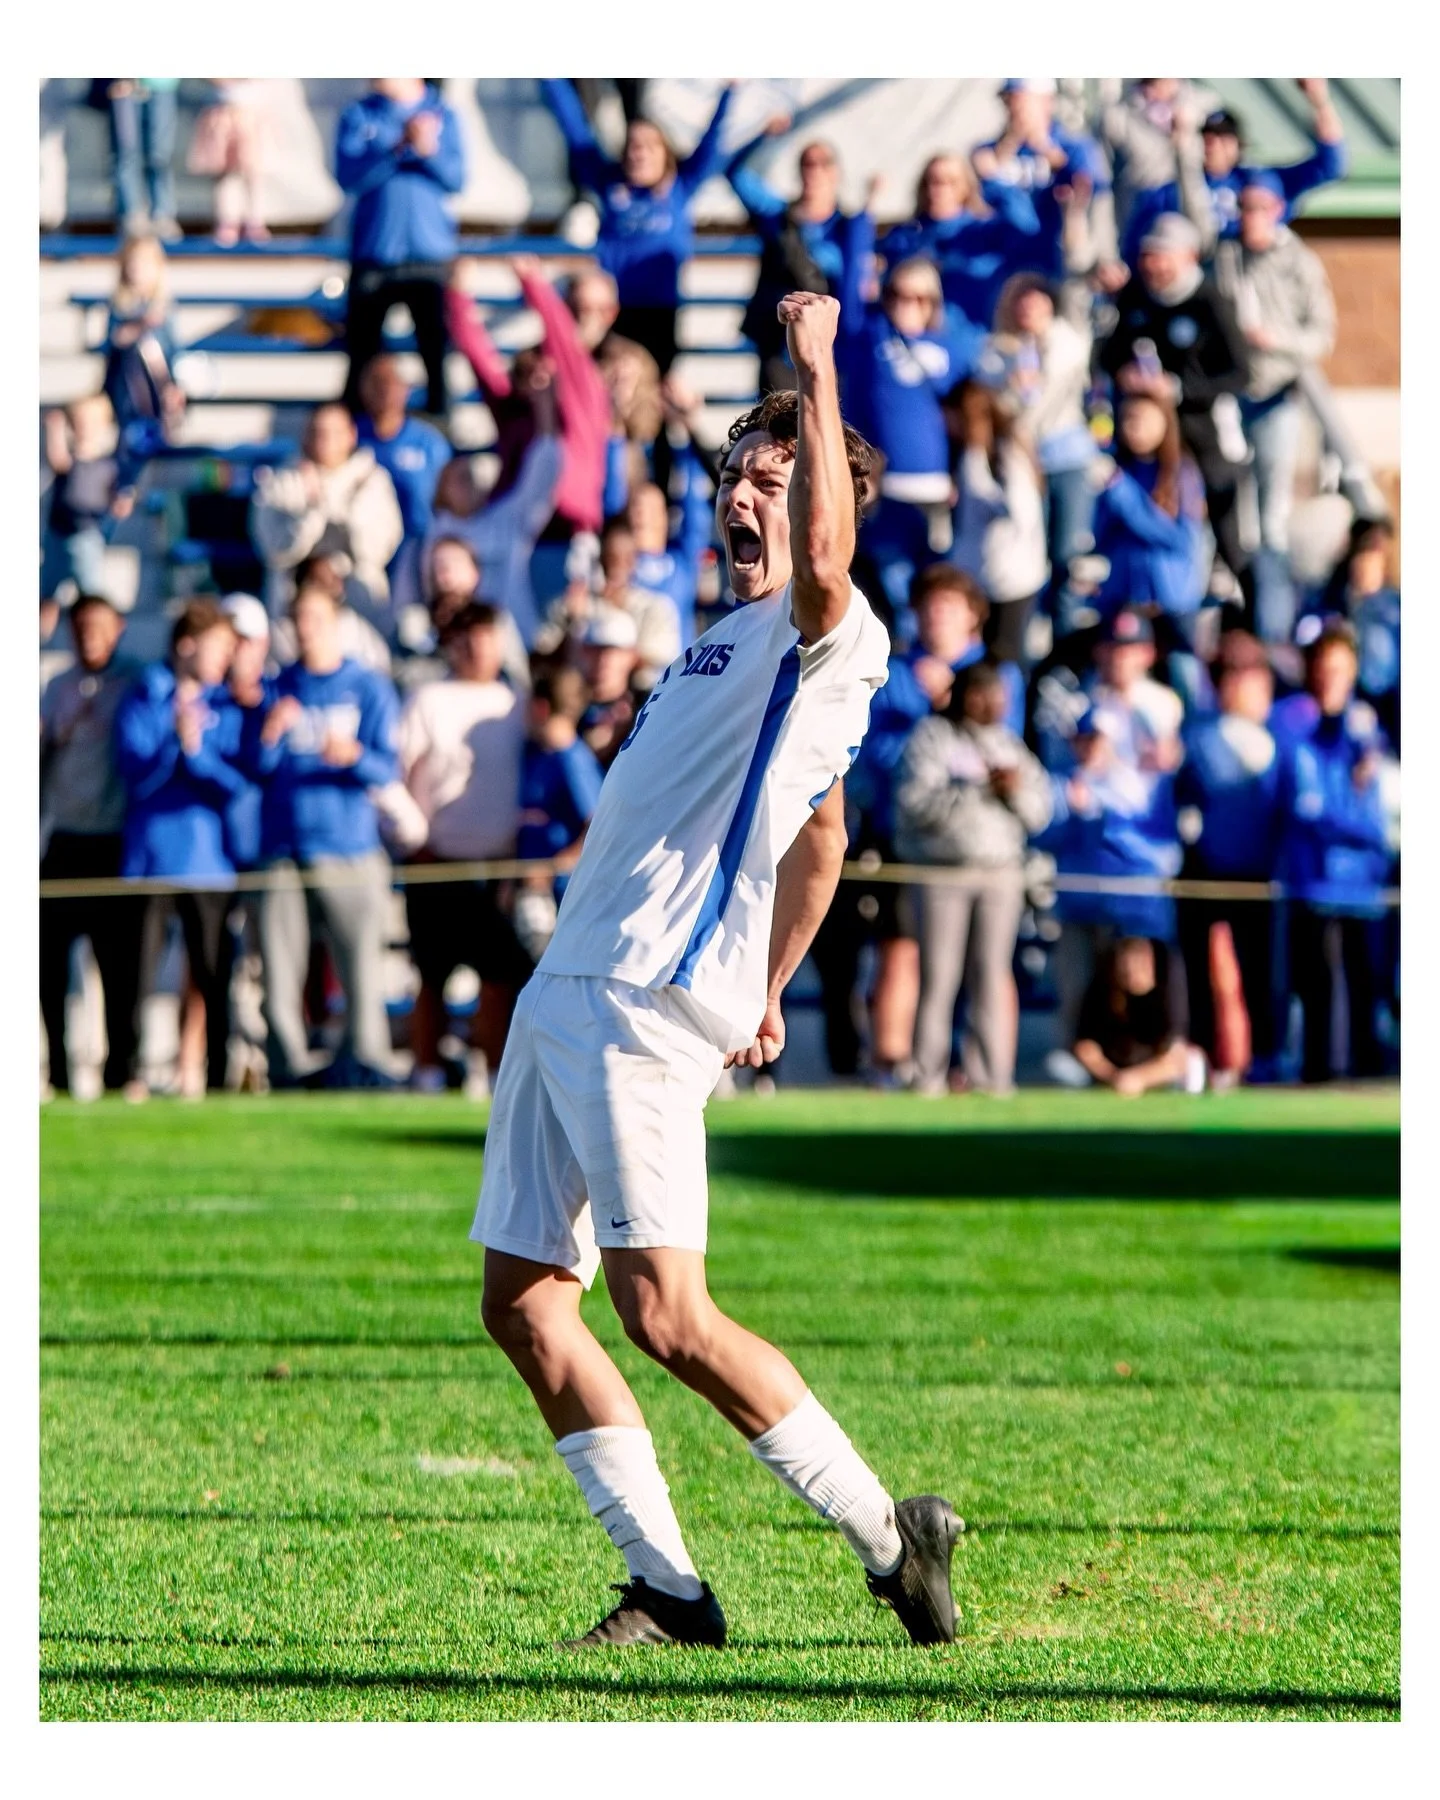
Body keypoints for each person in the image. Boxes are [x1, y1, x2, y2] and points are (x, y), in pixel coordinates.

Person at [473, 293, 961, 1653]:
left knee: (666, 1315)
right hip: (572, 988)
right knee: (522, 1300)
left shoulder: (832, 628)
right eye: (735, 473)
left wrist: (812, 363)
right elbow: (823, 837)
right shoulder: (715, 646)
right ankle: (670, 1591)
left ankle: (888, 1535)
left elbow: (820, 559)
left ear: (826, 508)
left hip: (640, 1008)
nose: (744, 493)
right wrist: (775, 984)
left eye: (778, 474)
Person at [245, 580, 401, 1088]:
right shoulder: (279, 685)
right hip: (285, 847)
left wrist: (354, 756)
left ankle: (365, 1065)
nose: (305, 630)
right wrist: (270, 731)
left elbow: (386, 767)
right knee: (279, 971)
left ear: (336, 624)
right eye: (298, 620)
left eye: (315, 619)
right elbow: (254, 765)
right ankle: (288, 1067)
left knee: (360, 969)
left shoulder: (368, 686)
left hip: (349, 846)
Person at [391, 603, 534, 1091]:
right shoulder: (427, 699)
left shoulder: (515, 702)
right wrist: (414, 838)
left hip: (495, 866)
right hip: (435, 862)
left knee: (498, 975)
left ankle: (493, 1075)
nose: (477, 647)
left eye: (486, 636)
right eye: (467, 637)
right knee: (431, 974)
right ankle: (427, 1073)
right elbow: (396, 774)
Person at [894, 660, 1052, 1096]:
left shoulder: (1008, 744)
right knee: (938, 976)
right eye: (982, 692)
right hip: (942, 871)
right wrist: (974, 790)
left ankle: (992, 1076)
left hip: (1001, 872)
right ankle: (926, 1075)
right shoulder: (932, 738)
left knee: (992, 974)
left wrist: (1012, 790)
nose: (992, 702)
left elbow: (1040, 811)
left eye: (998, 693)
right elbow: (913, 804)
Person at [114, 599, 248, 1096]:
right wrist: (173, 743)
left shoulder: (226, 704)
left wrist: (195, 753)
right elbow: (133, 775)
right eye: (218, 647)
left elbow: (236, 782)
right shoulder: (146, 695)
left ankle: (215, 1078)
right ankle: (127, 1073)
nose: (224, 659)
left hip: (209, 861)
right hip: (149, 859)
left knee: (214, 977)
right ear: (186, 645)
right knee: (136, 977)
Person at [1097, 212, 1252, 605]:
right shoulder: (1135, 298)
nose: (1154, 265)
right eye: (1148, 256)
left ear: (1188, 256)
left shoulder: (1210, 302)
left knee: (1218, 506)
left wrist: (1180, 389)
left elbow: (1239, 373)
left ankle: (1233, 588)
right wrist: (1127, 375)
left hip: (1200, 429)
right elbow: (1109, 355)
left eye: (1163, 255)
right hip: (1145, 434)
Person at [1212, 174, 1337, 643]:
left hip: (1277, 390)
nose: (1250, 218)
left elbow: (1322, 335)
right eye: (1244, 207)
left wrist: (1274, 339)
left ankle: (1274, 624)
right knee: (1229, 506)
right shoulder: (1227, 256)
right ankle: (1237, 613)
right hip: (1231, 391)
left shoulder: (1299, 261)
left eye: (1259, 208)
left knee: (1272, 514)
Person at [541, 79, 736, 373]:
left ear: (664, 152)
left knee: (654, 399)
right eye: (632, 145)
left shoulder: (680, 189)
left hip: (660, 313)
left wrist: (729, 93)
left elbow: (712, 145)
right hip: (611, 312)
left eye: (648, 146)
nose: (639, 153)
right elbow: (575, 128)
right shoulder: (609, 184)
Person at [39, 594, 147, 1101]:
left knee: (120, 965)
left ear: (119, 629)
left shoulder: (134, 685)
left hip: (114, 840)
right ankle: (57, 1071)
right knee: (49, 964)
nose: (89, 637)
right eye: (81, 627)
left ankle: (121, 1070)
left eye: (99, 627)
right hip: (65, 839)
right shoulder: (56, 688)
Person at [1276, 623, 1394, 1083]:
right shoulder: (1296, 729)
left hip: (1363, 887)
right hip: (1315, 885)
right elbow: (1307, 810)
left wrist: (1352, 820)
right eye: (1324, 670)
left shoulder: (1367, 733)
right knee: (1321, 993)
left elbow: (1378, 821)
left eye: (1340, 671)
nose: (1331, 681)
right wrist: (1355, 822)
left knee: (1365, 989)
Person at [839, 255, 979, 620]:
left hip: (938, 493)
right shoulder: (872, 338)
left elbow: (973, 418)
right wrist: (864, 211)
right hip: (888, 491)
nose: (905, 304)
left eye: (918, 297)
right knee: (895, 590)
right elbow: (848, 296)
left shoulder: (954, 348)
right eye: (897, 294)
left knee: (935, 587)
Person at [1174, 631, 1285, 1086]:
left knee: (1263, 970)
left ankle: (1264, 1054)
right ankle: (1203, 1053)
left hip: (1264, 874)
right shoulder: (1201, 739)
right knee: (1201, 970)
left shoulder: (1281, 740)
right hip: (1208, 870)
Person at [445, 255, 612, 541]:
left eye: (549, 372)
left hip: (570, 524)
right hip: (514, 532)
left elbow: (566, 346)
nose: (541, 379)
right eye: (533, 374)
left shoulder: (582, 397)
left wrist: (533, 282)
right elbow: (479, 357)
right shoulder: (512, 409)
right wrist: (457, 296)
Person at [336, 80, 466, 417]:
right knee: (361, 359)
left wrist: (429, 151)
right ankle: (356, 434)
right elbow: (347, 177)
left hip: (429, 258)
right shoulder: (358, 114)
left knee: (436, 358)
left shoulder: (444, 114)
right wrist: (396, 147)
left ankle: (440, 434)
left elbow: (457, 179)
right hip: (374, 255)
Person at [724, 121, 878, 391]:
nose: (814, 170)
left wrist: (870, 206)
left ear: (836, 173)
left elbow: (856, 288)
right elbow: (736, 173)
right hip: (780, 345)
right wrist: (764, 136)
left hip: (830, 347)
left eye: (823, 163)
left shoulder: (848, 228)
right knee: (778, 428)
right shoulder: (778, 216)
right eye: (807, 163)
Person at [978, 274, 1096, 601]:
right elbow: (997, 406)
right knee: (1030, 550)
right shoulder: (997, 352)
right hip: (1023, 462)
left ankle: (1066, 631)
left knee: (1068, 551)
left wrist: (1032, 376)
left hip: (1067, 457)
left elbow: (1052, 387)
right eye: (1023, 305)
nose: (1029, 312)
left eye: (1037, 304)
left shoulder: (1065, 342)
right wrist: (1013, 388)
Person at [250, 402, 405, 628]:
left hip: (359, 609)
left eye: (334, 432)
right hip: (293, 610)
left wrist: (346, 525)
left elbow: (376, 552)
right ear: (305, 435)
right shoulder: (280, 481)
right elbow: (272, 549)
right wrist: (314, 512)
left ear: (351, 435)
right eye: (318, 431)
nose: (325, 439)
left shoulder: (374, 481)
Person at [970, 79, 1116, 287]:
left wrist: (1044, 147)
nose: (1013, 108)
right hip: (1004, 270)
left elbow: (1090, 194)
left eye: (1020, 100)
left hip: (1060, 267)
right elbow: (979, 200)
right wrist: (1008, 145)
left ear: (1046, 102)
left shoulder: (1076, 148)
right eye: (1007, 100)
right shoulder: (988, 151)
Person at [880, 153, 1044, 333]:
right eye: (931, 181)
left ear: (966, 187)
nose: (937, 190)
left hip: (973, 340)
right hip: (915, 344)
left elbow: (1029, 232)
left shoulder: (985, 231)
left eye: (950, 182)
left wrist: (994, 180)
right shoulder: (908, 235)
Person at [948, 380, 1049, 665]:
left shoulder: (1008, 455)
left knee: (1006, 660)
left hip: (1011, 580)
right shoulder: (979, 455)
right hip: (981, 577)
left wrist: (973, 459)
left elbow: (1017, 510)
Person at [1088, 390, 1206, 626]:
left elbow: (1182, 539)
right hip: (1123, 598)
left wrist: (1122, 494)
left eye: (1143, 418)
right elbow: (1102, 537)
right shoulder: (1117, 469)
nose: (1134, 427)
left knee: (1181, 663)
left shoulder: (1182, 473)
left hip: (1171, 602)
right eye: (1128, 418)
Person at [514, 664, 606, 962]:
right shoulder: (537, 755)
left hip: (565, 903)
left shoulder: (572, 761)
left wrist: (552, 867)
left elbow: (598, 826)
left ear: (540, 708)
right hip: (534, 898)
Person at [353, 354, 453, 614]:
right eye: (376, 382)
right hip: (364, 553)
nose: (384, 390)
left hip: (418, 552)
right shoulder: (351, 437)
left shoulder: (429, 443)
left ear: (406, 390)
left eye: (392, 382)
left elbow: (447, 501)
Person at [1049, 936, 1202, 1095]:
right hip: (1110, 1074)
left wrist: (1139, 1078)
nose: (1131, 974)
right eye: (1124, 970)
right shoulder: (1102, 989)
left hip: (1154, 1072)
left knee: (1191, 1063)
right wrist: (1115, 1077)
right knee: (1062, 1068)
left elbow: (1175, 1054)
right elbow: (1085, 1047)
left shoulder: (1168, 993)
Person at [1301, 517, 1399, 749]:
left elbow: (1380, 675)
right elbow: (1306, 635)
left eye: (1373, 561)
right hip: (1332, 705)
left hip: (1379, 710)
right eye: (1360, 558)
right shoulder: (1329, 600)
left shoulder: (1392, 612)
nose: (1363, 568)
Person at [41, 396, 135, 602]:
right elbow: (57, 460)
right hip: (58, 533)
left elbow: (118, 496)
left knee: (89, 592)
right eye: (80, 423)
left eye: (91, 424)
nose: (85, 429)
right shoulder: (71, 460)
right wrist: (54, 430)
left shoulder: (109, 464)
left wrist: (121, 502)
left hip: (87, 534)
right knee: (46, 592)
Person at [103, 233, 184, 436]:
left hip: (159, 387)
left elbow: (173, 350)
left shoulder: (165, 308)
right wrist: (140, 326)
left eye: (143, 264)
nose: (136, 270)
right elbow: (114, 341)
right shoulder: (120, 307)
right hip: (127, 388)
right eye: (132, 263)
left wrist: (174, 386)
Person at [188, 80, 271, 246]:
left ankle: (254, 221)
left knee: (252, 171)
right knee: (224, 173)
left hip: (249, 112)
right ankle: (227, 221)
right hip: (221, 111)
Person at [100, 79, 180, 240]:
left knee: (160, 155)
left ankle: (163, 215)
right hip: (124, 85)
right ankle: (131, 215)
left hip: (162, 84)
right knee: (126, 154)